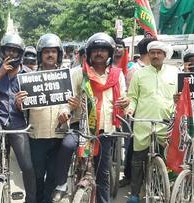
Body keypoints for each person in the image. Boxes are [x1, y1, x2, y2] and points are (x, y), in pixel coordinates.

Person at [62, 33, 128, 203]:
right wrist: (66, 110)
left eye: (103, 50)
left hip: (105, 130)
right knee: (67, 146)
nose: (99, 53)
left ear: (110, 53)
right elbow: (68, 100)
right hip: (82, 129)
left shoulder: (117, 74)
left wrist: (125, 102)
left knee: (103, 174)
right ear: (89, 53)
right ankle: (62, 185)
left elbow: (124, 101)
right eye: (96, 50)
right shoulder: (78, 73)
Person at [0, 33, 36, 203]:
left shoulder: (28, 74)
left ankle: (32, 199)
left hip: (18, 120)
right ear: (2, 52)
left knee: (27, 164)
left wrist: (22, 104)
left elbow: (33, 104)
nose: (11, 55)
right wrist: (0, 74)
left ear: (20, 54)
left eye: (15, 51)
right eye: (8, 51)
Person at [15, 33, 69, 203]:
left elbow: (70, 103)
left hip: (58, 135)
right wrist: (19, 102)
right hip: (36, 136)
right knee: (37, 176)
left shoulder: (65, 77)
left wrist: (68, 110)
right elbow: (23, 108)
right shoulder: (29, 79)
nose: (50, 55)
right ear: (40, 55)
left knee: (52, 176)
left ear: (58, 55)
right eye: (46, 52)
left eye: (54, 51)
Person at [126, 41, 178, 203]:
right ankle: (134, 194)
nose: (155, 55)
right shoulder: (139, 74)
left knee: (166, 159)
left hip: (166, 124)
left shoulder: (175, 72)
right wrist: (129, 109)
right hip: (143, 122)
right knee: (137, 160)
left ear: (165, 55)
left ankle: (163, 188)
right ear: (149, 54)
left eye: (159, 53)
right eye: (152, 53)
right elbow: (133, 97)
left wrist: (179, 99)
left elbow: (182, 96)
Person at [119, 37, 157, 188]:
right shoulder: (135, 70)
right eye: (153, 50)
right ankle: (130, 178)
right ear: (148, 51)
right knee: (134, 149)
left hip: (155, 116)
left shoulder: (158, 70)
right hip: (138, 117)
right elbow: (131, 96)